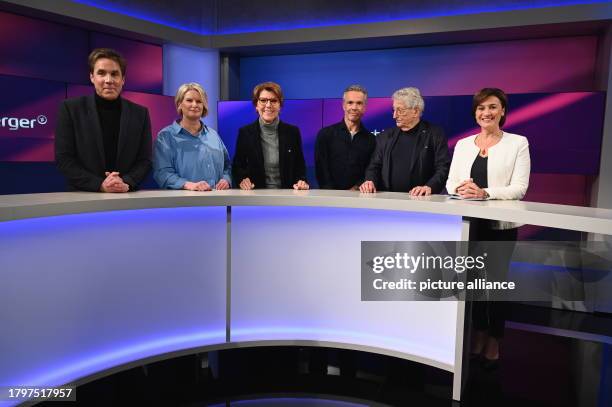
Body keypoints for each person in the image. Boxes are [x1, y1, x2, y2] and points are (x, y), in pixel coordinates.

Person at [446, 87, 530, 367]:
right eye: (481, 108)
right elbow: (449, 183)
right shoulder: (463, 144)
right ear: (475, 112)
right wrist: (464, 188)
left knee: (494, 286)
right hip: (469, 226)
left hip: (500, 227)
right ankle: (478, 334)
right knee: (474, 286)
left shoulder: (517, 143)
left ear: (503, 111)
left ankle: (494, 339)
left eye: (492, 107)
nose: (486, 113)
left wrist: (484, 192)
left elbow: (519, 189)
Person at [55, 48, 151, 192]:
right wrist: (99, 184)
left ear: (123, 79)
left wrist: (125, 182)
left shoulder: (140, 113)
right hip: (83, 196)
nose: (108, 80)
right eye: (101, 73)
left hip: (127, 195)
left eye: (114, 74)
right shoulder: (70, 109)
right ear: (92, 77)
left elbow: (145, 160)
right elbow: (64, 159)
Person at [359, 87, 449, 195]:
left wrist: (429, 187)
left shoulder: (434, 134)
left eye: (400, 110)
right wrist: (370, 181)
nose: (394, 115)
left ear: (415, 111)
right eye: (394, 110)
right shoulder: (385, 136)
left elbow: (443, 167)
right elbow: (374, 165)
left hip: (421, 201)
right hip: (388, 201)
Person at [153, 83, 231, 191]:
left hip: (217, 202)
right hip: (184, 203)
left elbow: (227, 166)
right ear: (179, 104)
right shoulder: (165, 137)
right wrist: (188, 185)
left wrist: (226, 179)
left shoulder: (213, 135)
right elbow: (162, 173)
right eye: (189, 100)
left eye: (199, 101)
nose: (195, 105)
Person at [232, 81, 309, 190]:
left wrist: (302, 181)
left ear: (280, 106)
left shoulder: (292, 132)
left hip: (287, 195)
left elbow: (299, 166)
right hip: (256, 195)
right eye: (263, 100)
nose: (268, 105)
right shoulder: (245, 133)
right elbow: (238, 166)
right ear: (256, 105)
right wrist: (242, 179)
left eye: (273, 101)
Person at [315, 85, 375, 190]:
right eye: (350, 102)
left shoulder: (371, 140)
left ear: (365, 107)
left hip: (359, 197)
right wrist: (333, 194)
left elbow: (370, 170)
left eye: (359, 103)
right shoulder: (325, 134)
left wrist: (356, 189)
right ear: (343, 105)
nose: (354, 107)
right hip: (329, 197)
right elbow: (321, 169)